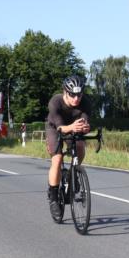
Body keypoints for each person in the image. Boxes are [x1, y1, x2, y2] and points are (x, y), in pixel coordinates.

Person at [46, 75, 90, 219]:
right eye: (72, 95)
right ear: (65, 92)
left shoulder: (85, 102)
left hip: (73, 128)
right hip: (55, 128)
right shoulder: (55, 102)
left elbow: (85, 122)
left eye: (79, 95)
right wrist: (72, 126)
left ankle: (73, 174)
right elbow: (60, 128)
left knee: (80, 148)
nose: (76, 98)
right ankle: (53, 197)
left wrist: (85, 128)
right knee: (57, 159)